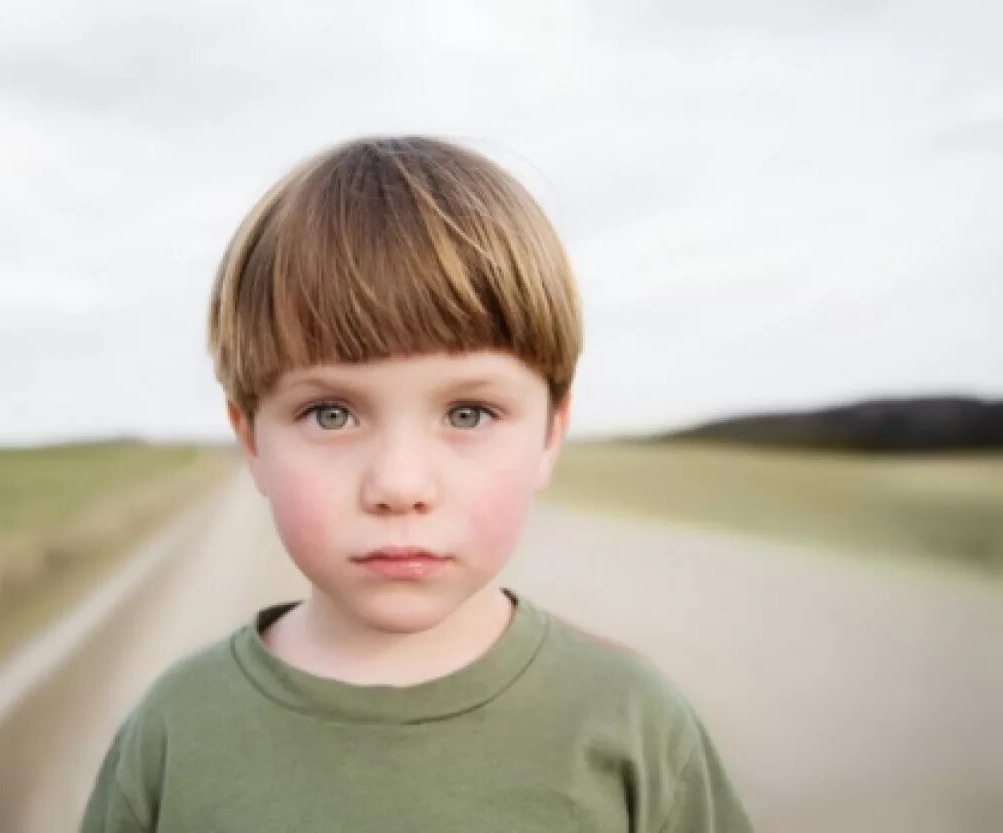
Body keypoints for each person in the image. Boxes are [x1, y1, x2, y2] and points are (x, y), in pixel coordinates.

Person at [79, 135, 754, 832]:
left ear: (550, 433)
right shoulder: (175, 732)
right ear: (250, 437)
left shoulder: (635, 727)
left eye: (469, 412)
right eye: (330, 413)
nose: (399, 485)